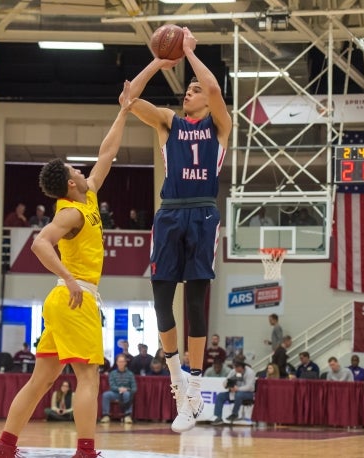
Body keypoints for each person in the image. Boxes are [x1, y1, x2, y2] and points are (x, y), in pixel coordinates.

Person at [0, 82, 133, 458]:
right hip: (75, 296)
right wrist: (69, 279)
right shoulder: (70, 212)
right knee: (88, 377)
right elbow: (39, 243)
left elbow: (107, 152)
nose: (82, 170)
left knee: (40, 380)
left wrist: (124, 110)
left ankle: (4, 446)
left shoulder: (90, 196)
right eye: (75, 169)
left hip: (61, 300)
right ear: (71, 182)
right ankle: (85, 452)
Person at [127, 25, 232, 434]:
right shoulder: (169, 123)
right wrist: (158, 60)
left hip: (203, 214)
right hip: (169, 213)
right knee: (160, 301)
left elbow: (216, 91)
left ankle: (195, 390)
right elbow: (129, 99)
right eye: (187, 88)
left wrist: (189, 53)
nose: (189, 91)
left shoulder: (219, 126)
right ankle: (176, 379)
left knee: (195, 303)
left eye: (195, 88)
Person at [211, 360, 256, 426]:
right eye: (235, 368)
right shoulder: (234, 371)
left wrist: (238, 389)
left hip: (248, 394)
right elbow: (225, 382)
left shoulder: (250, 372)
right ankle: (218, 417)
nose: (237, 370)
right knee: (220, 396)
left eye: (238, 369)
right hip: (234, 392)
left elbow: (250, 387)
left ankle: (235, 414)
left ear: (243, 368)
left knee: (239, 394)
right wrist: (229, 386)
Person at [100, 354, 137, 424]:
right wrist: (119, 389)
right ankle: (106, 415)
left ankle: (127, 416)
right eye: (119, 361)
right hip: (115, 393)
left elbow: (134, 387)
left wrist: (127, 389)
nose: (121, 363)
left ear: (126, 363)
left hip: (126, 393)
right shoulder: (112, 373)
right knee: (106, 395)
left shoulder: (130, 374)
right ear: (116, 362)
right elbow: (112, 386)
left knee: (127, 395)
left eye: (123, 361)